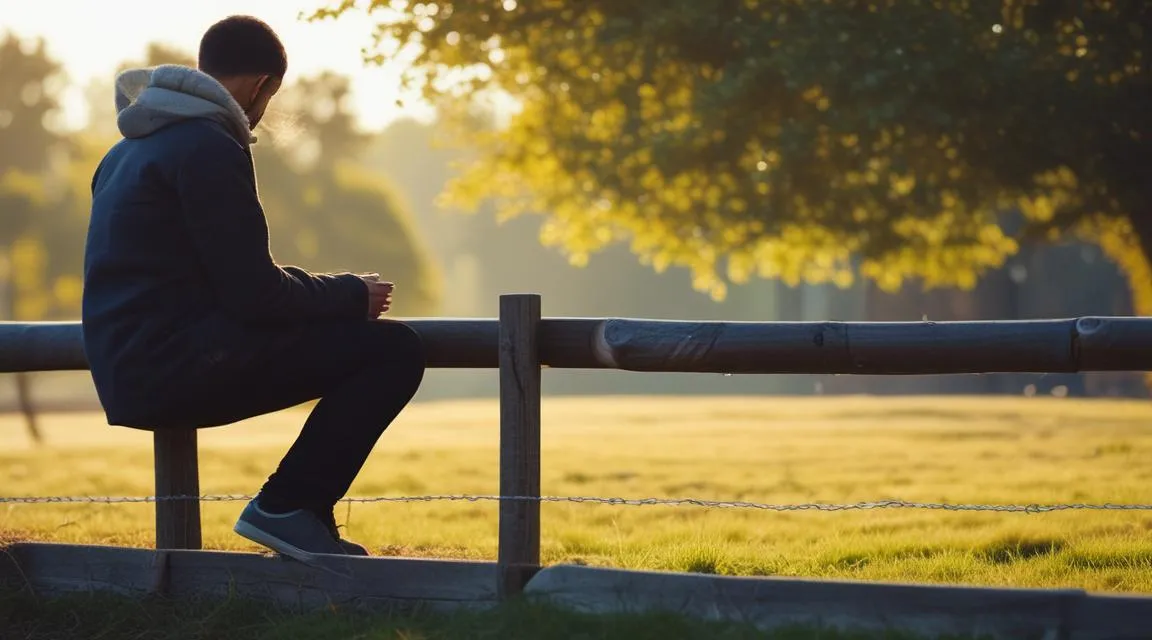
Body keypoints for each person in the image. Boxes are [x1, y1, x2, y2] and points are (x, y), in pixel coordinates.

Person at [81, 15, 425, 564]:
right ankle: (290, 506)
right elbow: (253, 294)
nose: (262, 116)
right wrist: (348, 295)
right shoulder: (208, 145)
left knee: (364, 341)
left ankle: (295, 509)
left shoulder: (125, 153)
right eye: (270, 98)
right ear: (262, 85)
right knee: (395, 350)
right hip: (176, 365)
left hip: (129, 369)